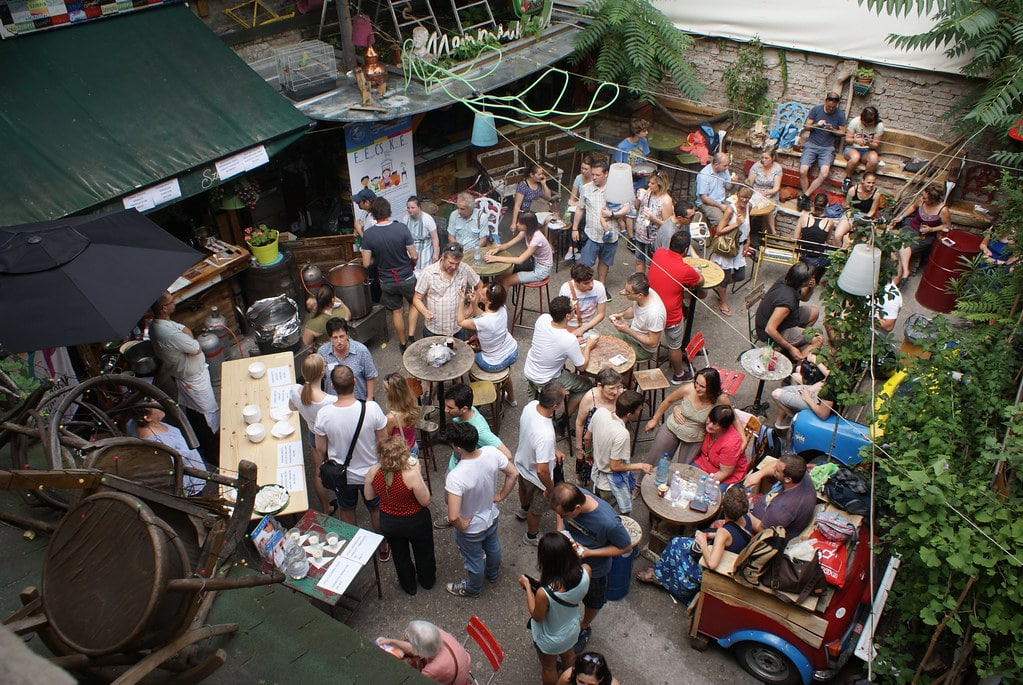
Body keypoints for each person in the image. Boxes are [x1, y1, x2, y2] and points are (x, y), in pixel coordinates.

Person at [313, 366, 390, 560]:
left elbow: (320, 448)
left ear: (332, 386)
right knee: (375, 508)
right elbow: (384, 441)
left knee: (347, 509)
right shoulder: (371, 409)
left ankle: (353, 548)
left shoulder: (324, 414)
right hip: (371, 473)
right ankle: (383, 546)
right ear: (355, 382)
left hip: (342, 475)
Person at [550, 483, 634, 654]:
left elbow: (626, 547)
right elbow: (560, 514)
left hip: (595, 571)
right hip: (570, 562)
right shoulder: (571, 496)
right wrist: (560, 529)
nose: (561, 516)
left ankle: (583, 626)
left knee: (592, 601)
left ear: (578, 507)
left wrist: (590, 553)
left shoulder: (609, 522)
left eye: (564, 515)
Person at [634, 486, 751, 600]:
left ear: (723, 507)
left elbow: (712, 563)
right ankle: (660, 573)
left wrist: (703, 542)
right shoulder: (747, 519)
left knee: (675, 544)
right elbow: (734, 535)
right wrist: (711, 535)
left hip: (713, 564)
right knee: (680, 542)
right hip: (728, 552)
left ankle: (658, 576)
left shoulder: (723, 533)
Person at [444, 422, 519, 598]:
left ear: (458, 448)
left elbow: (453, 516)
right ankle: (492, 574)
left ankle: (473, 588)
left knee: (474, 560)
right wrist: (501, 495)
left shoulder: (456, 477)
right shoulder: (491, 453)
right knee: (493, 546)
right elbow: (513, 473)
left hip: (471, 528)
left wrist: (462, 526)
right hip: (491, 515)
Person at [434, 383, 514, 529]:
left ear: (464, 408)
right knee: (450, 500)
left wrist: (500, 495)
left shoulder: (480, 431)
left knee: (461, 504)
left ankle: (459, 520)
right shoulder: (466, 414)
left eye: (450, 408)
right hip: (455, 465)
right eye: (446, 406)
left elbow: (507, 454)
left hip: (464, 475)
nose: (445, 411)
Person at [364, 435, 435, 595]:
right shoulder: (410, 474)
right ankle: (427, 580)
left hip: (390, 521)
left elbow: (369, 496)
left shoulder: (374, 472)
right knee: (424, 551)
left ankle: (409, 586)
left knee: (399, 554)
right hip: (415, 520)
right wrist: (417, 471)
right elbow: (425, 501)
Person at [521, 533, 592, 685]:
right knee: (568, 656)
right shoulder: (586, 571)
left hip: (551, 638)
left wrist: (527, 587)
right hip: (572, 629)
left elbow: (537, 616)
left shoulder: (544, 593)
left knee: (548, 667)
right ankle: (568, 680)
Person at [149, 292, 220, 435]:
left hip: (187, 374)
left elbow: (184, 329)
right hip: (193, 379)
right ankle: (212, 442)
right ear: (164, 308)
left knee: (194, 408)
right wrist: (188, 341)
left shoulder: (161, 324)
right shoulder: (169, 334)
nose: (174, 303)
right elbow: (196, 348)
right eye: (171, 301)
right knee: (208, 410)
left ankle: (204, 433)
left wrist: (187, 340)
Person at [523, 295, 598, 416]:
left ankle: (532, 405)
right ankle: (565, 417)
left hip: (530, 370)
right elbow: (582, 367)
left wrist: (572, 340)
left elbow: (553, 339)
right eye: (573, 308)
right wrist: (589, 346)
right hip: (546, 379)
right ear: (567, 316)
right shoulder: (568, 340)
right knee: (587, 384)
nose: (575, 308)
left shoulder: (543, 318)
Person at [361, 197, 418, 351]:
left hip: (386, 280)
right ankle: (412, 336)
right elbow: (414, 255)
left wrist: (377, 256)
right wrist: (411, 262)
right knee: (414, 302)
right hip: (406, 276)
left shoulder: (369, 235)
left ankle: (403, 343)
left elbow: (366, 263)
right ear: (389, 211)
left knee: (397, 311)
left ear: (372, 214)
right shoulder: (402, 229)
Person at [644, 367, 732, 465]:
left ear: (711, 388)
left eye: (702, 386)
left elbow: (732, 416)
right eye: (696, 383)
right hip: (672, 427)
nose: (697, 388)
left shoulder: (721, 400)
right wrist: (655, 419)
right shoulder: (688, 389)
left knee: (684, 470)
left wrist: (743, 438)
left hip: (694, 438)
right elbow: (668, 400)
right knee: (654, 461)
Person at [648, 230, 703, 383]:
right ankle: (679, 374)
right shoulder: (685, 270)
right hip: (670, 314)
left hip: (651, 305)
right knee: (674, 345)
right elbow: (699, 281)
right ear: (685, 250)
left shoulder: (659, 253)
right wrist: (696, 272)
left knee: (684, 309)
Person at [515, 383, 566, 546]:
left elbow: (531, 436)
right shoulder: (545, 435)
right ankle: (531, 535)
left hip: (521, 463)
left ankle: (523, 510)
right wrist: (549, 488)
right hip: (536, 478)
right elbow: (542, 471)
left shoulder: (531, 406)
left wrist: (554, 449)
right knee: (536, 510)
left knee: (522, 488)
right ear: (555, 406)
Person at [588, 390, 650, 514]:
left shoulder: (600, 412)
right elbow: (615, 466)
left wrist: (589, 453)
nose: (640, 411)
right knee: (614, 518)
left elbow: (586, 437)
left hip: (595, 476)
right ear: (629, 414)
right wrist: (641, 466)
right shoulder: (622, 434)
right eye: (639, 410)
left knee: (596, 513)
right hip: (608, 487)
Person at [456, 281, 518, 406]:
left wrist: (461, 300)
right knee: (504, 372)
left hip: (493, 363)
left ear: (489, 302)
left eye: (482, 294)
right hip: (512, 351)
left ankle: (476, 398)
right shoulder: (502, 309)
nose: (479, 293)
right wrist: (474, 302)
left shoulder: (484, 321)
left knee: (470, 357)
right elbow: (482, 316)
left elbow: (460, 321)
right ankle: (512, 399)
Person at [289, 354, 337, 512]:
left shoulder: (296, 391)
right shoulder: (329, 400)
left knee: (318, 472)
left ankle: (326, 507)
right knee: (340, 469)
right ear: (322, 372)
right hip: (332, 439)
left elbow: (292, 408)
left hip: (313, 436)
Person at [128, 404, 208, 496]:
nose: (157, 403)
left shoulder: (134, 423)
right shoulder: (159, 442)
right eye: (152, 403)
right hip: (190, 487)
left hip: (196, 479)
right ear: (148, 418)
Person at [755, 262, 823, 362]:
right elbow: (770, 329)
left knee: (814, 312)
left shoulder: (788, 280)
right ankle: (797, 365)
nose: (813, 278)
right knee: (818, 339)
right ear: (802, 282)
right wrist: (790, 348)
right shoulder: (787, 301)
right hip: (772, 331)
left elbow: (805, 298)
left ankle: (795, 342)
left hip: (785, 320)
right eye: (810, 278)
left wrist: (811, 287)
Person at [411, 243, 482, 340]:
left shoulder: (464, 269)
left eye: (457, 264)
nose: (454, 267)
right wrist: (424, 312)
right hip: (434, 330)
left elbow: (480, 286)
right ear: (443, 257)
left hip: (457, 328)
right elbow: (416, 299)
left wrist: (471, 308)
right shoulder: (427, 273)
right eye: (451, 263)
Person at [571, 159, 624, 285]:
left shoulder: (616, 189)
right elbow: (580, 208)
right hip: (591, 234)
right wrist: (574, 228)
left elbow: (625, 210)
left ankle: (601, 286)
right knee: (585, 265)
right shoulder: (586, 188)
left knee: (605, 262)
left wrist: (612, 214)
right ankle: (584, 287)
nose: (594, 177)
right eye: (593, 174)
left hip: (611, 236)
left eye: (597, 175)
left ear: (606, 174)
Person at [743, 453, 817, 540]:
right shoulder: (799, 473)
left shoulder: (783, 507)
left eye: (777, 471)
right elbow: (776, 464)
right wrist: (760, 474)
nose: (774, 469)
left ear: (788, 479)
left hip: (767, 534)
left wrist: (744, 512)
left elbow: (763, 530)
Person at [376, 620, 471, 685]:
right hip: (463, 662)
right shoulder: (433, 633)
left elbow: (416, 681)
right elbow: (414, 649)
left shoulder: (434, 669)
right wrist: (390, 641)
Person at [573, 368, 623, 489]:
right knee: (586, 465)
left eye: (618, 387)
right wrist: (579, 448)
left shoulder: (620, 394)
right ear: (600, 386)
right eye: (611, 388)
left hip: (609, 441)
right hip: (590, 440)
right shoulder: (590, 398)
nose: (616, 392)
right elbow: (579, 423)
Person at [894, 184, 951, 285]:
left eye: (925, 198)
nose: (923, 199)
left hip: (925, 235)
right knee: (903, 244)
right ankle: (904, 272)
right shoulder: (921, 200)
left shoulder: (943, 210)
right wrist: (901, 217)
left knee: (903, 247)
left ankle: (898, 278)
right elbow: (913, 207)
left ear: (933, 199)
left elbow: (946, 226)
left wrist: (931, 229)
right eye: (923, 196)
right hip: (911, 228)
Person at [708, 186, 752, 317]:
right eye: (742, 197)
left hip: (739, 246)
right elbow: (720, 230)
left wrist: (748, 241)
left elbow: (747, 226)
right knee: (725, 277)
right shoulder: (730, 210)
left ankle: (719, 286)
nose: (744, 200)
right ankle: (722, 302)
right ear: (737, 195)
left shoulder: (749, 206)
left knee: (740, 275)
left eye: (747, 197)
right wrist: (736, 224)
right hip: (728, 247)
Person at [799, 92, 846, 204]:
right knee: (803, 170)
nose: (831, 109)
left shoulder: (840, 114)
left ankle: (804, 197)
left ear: (837, 105)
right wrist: (817, 124)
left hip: (827, 148)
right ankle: (806, 199)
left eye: (833, 107)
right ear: (825, 101)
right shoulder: (816, 110)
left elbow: (843, 133)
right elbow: (806, 127)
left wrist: (832, 129)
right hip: (812, 145)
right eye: (829, 106)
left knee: (824, 173)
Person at [486, 212, 554, 290]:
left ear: (528, 225)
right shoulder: (525, 232)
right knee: (500, 274)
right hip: (533, 261)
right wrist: (496, 249)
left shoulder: (537, 238)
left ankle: (500, 301)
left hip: (541, 270)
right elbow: (508, 244)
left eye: (520, 223)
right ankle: (493, 296)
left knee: (506, 282)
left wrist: (495, 258)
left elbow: (520, 260)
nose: (517, 224)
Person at [316, 317, 378, 401]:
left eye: (342, 336)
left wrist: (369, 398)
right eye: (335, 338)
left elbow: (370, 376)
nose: (339, 341)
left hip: (358, 402)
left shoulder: (361, 351)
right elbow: (318, 378)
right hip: (333, 404)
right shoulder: (322, 353)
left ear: (347, 334)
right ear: (330, 338)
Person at [609, 272, 665, 363]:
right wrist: (621, 315)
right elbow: (635, 309)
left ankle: (623, 376)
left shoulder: (655, 314)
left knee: (614, 356)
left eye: (628, 292)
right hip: (632, 334)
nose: (624, 292)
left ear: (640, 295)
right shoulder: (644, 294)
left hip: (643, 348)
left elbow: (653, 342)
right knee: (606, 343)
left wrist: (628, 331)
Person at [770, 354, 836, 430]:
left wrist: (807, 398)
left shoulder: (833, 383)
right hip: (815, 392)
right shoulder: (834, 373)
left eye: (832, 348)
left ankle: (795, 420)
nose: (830, 351)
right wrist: (810, 390)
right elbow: (824, 381)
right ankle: (789, 419)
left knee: (775, 394)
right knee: (784, 389)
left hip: (815, 402)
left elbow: (823, 414)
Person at [692, 404, 746, 486]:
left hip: (722, 475)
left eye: (715, 424)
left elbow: (725, 473)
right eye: (710, 420)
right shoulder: (709, 428)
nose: (710, 425)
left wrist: (702, 484)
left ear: (724, 427)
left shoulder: (731, 443)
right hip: (703, 462)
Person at [631, 171, 673, 273]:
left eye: (652, 183)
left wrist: (653, 219)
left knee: (651, 265)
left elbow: (668, 225)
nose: (649, 185)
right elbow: (637, 208)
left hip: (653, 239)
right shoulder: (649, 192)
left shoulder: (666, 201)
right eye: (649, 182)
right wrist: (638, 199)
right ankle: (639, 283)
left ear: (660, 184)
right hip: (640, 234)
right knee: (639, 261)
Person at [558, 263, 608, 338]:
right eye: (586, 283)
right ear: (576, 282)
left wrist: (582, 329)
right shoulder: (566, 289)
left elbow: (601, 314)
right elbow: (562, 315)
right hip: (569, 325)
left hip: (588, 326)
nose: (591, 285)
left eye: (592, 281)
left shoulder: (599, 287)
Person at [794, 192, 834, 282]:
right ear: (826, 205)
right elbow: (826, 240)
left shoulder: (803, 217)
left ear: (813, 203)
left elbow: (796, 238)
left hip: (803, 256)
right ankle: (817, 279)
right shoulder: (830, 222)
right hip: (818, 260)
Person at [833, 172, 881, 246]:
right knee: (837, 235)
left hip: (865, 217)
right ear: (863, 181)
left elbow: (872, 211)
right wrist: (850, 220)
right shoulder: (853, 190)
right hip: (851, 214)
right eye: (868, 182)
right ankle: (838, 251)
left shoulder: (876, 194)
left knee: (863, 240)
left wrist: (861, 222)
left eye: (873, 183)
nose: (871, 185)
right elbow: (848, 206)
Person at [842, 105, 884, 187]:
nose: (867, 126)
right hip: (852, 148)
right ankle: (847, 179)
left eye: (870, 124)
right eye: (865, 124)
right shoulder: (855, 121)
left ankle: (865, 182)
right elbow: (847, 139)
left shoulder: (879, 126)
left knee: (874, 159)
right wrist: (855, 140)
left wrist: (868, 143)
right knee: (855, 157)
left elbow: (876, 145)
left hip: (867, 150)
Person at [746, 149, 783, 237]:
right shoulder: (756, 167)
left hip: (771, 192)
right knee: (760, 204)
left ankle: (766, 232)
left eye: (766, 158)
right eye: (762, 157)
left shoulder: (777, 168)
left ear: (773, 158)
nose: (763, 160)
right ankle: (770, 232)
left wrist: (766, 193)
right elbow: (749, 183)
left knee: (769, 205)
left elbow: (776, 188)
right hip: (756, 191)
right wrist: (757, 192)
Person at [301, 285, 351, 350]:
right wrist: (339, 301)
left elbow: (306, 342)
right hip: (344, 346)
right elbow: (348, 313)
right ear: (333, 299)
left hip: (326, 351)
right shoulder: (342, 312)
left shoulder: (313, 324)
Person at [565, 155, 594, 261]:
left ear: (592, 169)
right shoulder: (578, 178)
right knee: (570, 215)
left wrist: (578, 203)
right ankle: (571, 247)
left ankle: (578, 247)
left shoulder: (594, 180)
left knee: (581, 218)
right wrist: (572, 202)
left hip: (590, 208)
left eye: (586, 169)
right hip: (579, 206)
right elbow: (572, 197)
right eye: (582, 168)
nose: (583, 171)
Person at [382, 372, 419, 456]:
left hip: (402, 454)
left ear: (390, 393)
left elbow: (385, 440)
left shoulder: (391, 418)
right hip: (413, 445)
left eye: (384, 389)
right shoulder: (412, 405)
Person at [695, 152, 734, 227]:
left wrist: (732, 181)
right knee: (720, 221)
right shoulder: (704, 175)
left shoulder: (724, 170)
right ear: (716, 165)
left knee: (736, 213)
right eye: (725, 166)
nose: (727, 168)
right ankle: (716, 235)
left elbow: (728, 187)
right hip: (707, 203)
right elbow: (704, 198)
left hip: (722, 200)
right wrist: (720, 206)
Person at [403, 196, 439, 274]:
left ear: (419, 207)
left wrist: (435, 254)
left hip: (425, 251)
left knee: (425, 274)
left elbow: (434, 237)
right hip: (411, 250)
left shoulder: (427, 219)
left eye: (413, 207)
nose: (410, 210)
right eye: (408, 208)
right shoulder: (406, 219)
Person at [511, 163, 553, 230]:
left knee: (551, 222)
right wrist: (513, 223)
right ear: (531, 175)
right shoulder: (523, 186)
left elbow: (548, 197)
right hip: (529, 212)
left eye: (542, 174)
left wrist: (544, 184)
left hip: (541, 209)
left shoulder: (539, 183)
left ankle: (546, 239)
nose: (541, 176)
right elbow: (517, 205)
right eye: (539, 174)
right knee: (547, 220)